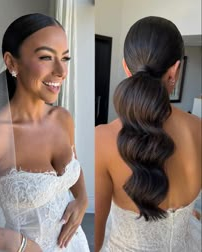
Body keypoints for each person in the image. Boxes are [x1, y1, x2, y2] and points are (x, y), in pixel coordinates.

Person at [0, 13, 90, 252]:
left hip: (77, 245)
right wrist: (14, 242)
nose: (61, 71)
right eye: (46, 57)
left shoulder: (62, 118)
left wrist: (83, 199)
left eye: (65, 58)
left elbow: (73, 167)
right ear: (12, 63)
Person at [95, 16, 201, 252]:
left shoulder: (102, 139)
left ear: (125, 67)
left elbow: (96, 237)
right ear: (175, 70)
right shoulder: (199, 129)